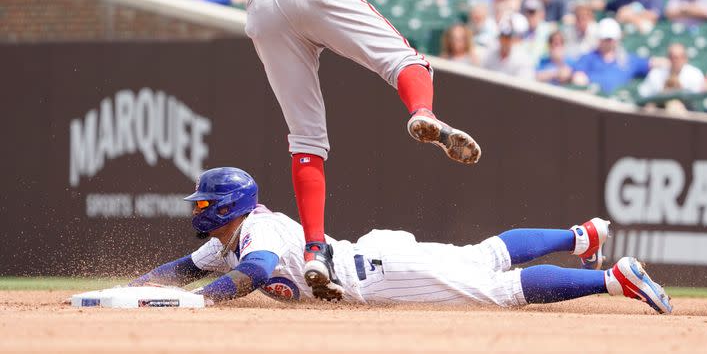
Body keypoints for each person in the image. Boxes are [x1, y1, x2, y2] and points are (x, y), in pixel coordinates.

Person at [244, 0, 479, 301]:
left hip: (263, 5)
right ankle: (423, 114)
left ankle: (314, 251)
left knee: (307, 137)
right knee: (409, 62)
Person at [129, 167, 671, 312]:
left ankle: (610, 278)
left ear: (226, 207)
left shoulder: (256, 231)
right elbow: (183, 269)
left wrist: (198, 303)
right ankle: (580, 236)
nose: (198, 208)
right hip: (372, 256)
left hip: (377, 276)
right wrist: (134, 289)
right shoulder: (228, 237)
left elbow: (253, 273)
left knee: (498, 289)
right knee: (484, 257)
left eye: (204, 201)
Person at [571, 18, 652, 94]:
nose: (609, 42)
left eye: (611, 39)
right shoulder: (588, 58)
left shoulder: (628, 59)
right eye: (606, 39)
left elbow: (652, 63)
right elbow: (578, 77)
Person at [638, 43, 705, 100]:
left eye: (681, 57)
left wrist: (679, 92)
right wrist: (662, 94)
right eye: (673, 57)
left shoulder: (695, 74)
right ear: (668, 58)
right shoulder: (656, 73)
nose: (677, 61)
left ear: (686, 58)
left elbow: (698, 97)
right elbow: (643, 94)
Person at [481, 14, 534, 80]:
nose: (505, 41)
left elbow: (523, 86)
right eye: (503, 36)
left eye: (508, 38)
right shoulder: (490, 53)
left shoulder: (523, 59)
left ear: (514, 39)